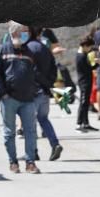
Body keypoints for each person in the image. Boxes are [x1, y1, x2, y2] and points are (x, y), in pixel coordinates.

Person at [0, 22, 40, 174]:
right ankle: (13, 162)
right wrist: (3, 93)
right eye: (23, 32)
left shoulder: (29, 51)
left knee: (31, 131)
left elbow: (34, 73)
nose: (26, 34)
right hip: (9, 99)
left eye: (27, 32)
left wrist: (35, 90)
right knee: (9, 132)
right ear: (13, 33)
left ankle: (30, 162)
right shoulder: (1, 50)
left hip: (28, 99)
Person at [28, 26, 63, 161]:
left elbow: (33, 70)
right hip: (45, 91)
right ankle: (55, 144)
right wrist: (49, 83)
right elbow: (54, 67)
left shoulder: (28, 48)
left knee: (30, 123)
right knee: (43, 119)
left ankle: (33, 151)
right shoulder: (45, 49)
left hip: (33, 91)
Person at [75, 37, 97, 132]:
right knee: (83, 102)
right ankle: (79, 123)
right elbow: (88, 69)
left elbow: (89, 68)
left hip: (86, 81)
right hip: (84, 81)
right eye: (89, 47)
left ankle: (86, 123)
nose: (90, 49)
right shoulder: (81, 56)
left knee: (86, 102)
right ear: (84, 46)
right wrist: (98, 64)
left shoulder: (84, 54)